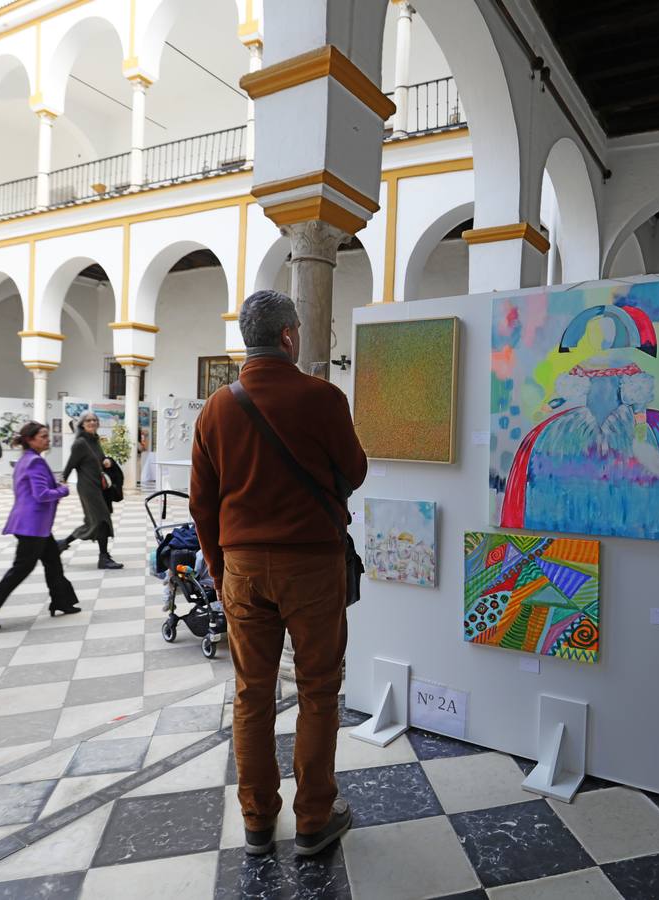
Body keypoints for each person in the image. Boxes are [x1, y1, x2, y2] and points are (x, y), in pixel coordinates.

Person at [191, 290, 367, 858]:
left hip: (242, 568)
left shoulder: (217, 407)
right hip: (312, 567)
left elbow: (202, 503)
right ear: (290, 336)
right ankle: (314, 818)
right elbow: (355, 472)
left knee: (252, 693)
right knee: (318, 691)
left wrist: (220, 570)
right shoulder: (323, 397)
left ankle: (258, 822)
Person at [0, 421, 80, 631]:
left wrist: (54, 485)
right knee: (20, 570)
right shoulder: (35, 462)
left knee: (53, 562)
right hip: (32, 526)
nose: (48, 440)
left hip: (35, 525)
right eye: (43, 436)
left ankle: (62, 601)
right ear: (30, 440)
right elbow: (41, 494)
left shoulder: (27, 460)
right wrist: (63, 491)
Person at [57, 412, 123, 569]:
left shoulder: (95, 440)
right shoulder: (80, 443)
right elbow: (70, 465)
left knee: (93, 522)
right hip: (88, 488)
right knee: (102, 519)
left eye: (95, 420)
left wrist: (106, 461)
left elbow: (96, 461)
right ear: (82, 424)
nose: (92, 422)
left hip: (99, 486)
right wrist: (61, 483)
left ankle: (62, 543)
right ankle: (103, 557)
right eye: (88, 420)